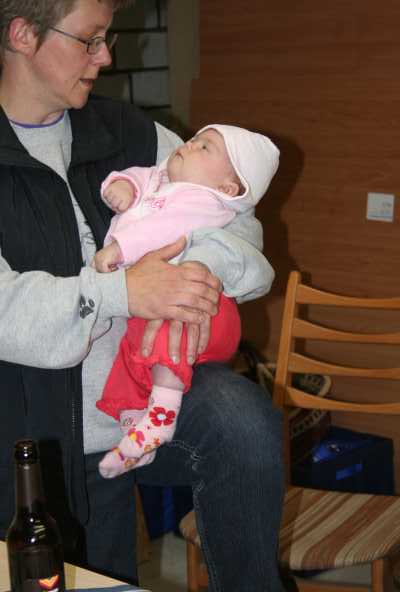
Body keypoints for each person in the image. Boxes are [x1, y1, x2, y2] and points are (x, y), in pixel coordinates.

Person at [0, 1, 285, 591]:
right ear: (23, 35)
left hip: (150, 390)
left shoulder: (130, 131)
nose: (105, 57)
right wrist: (122, 292)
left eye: (106, 38)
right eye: (89, 39)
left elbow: (236, 213)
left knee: (243, 422)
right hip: (38, 435)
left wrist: (201, 265)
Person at [93, 123, 280, 478]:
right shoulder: (162, 179)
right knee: (130, 354)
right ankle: (135, 430)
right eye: (195, 139)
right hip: (158, 303)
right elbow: (138, 177)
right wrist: (122, 185)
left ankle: (162, 412)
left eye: (204, 148)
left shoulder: (207, 202)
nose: (190, 145)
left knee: (166, 338)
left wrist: (119, 250)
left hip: (204, 309)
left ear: (228, 188)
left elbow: (166, 230)